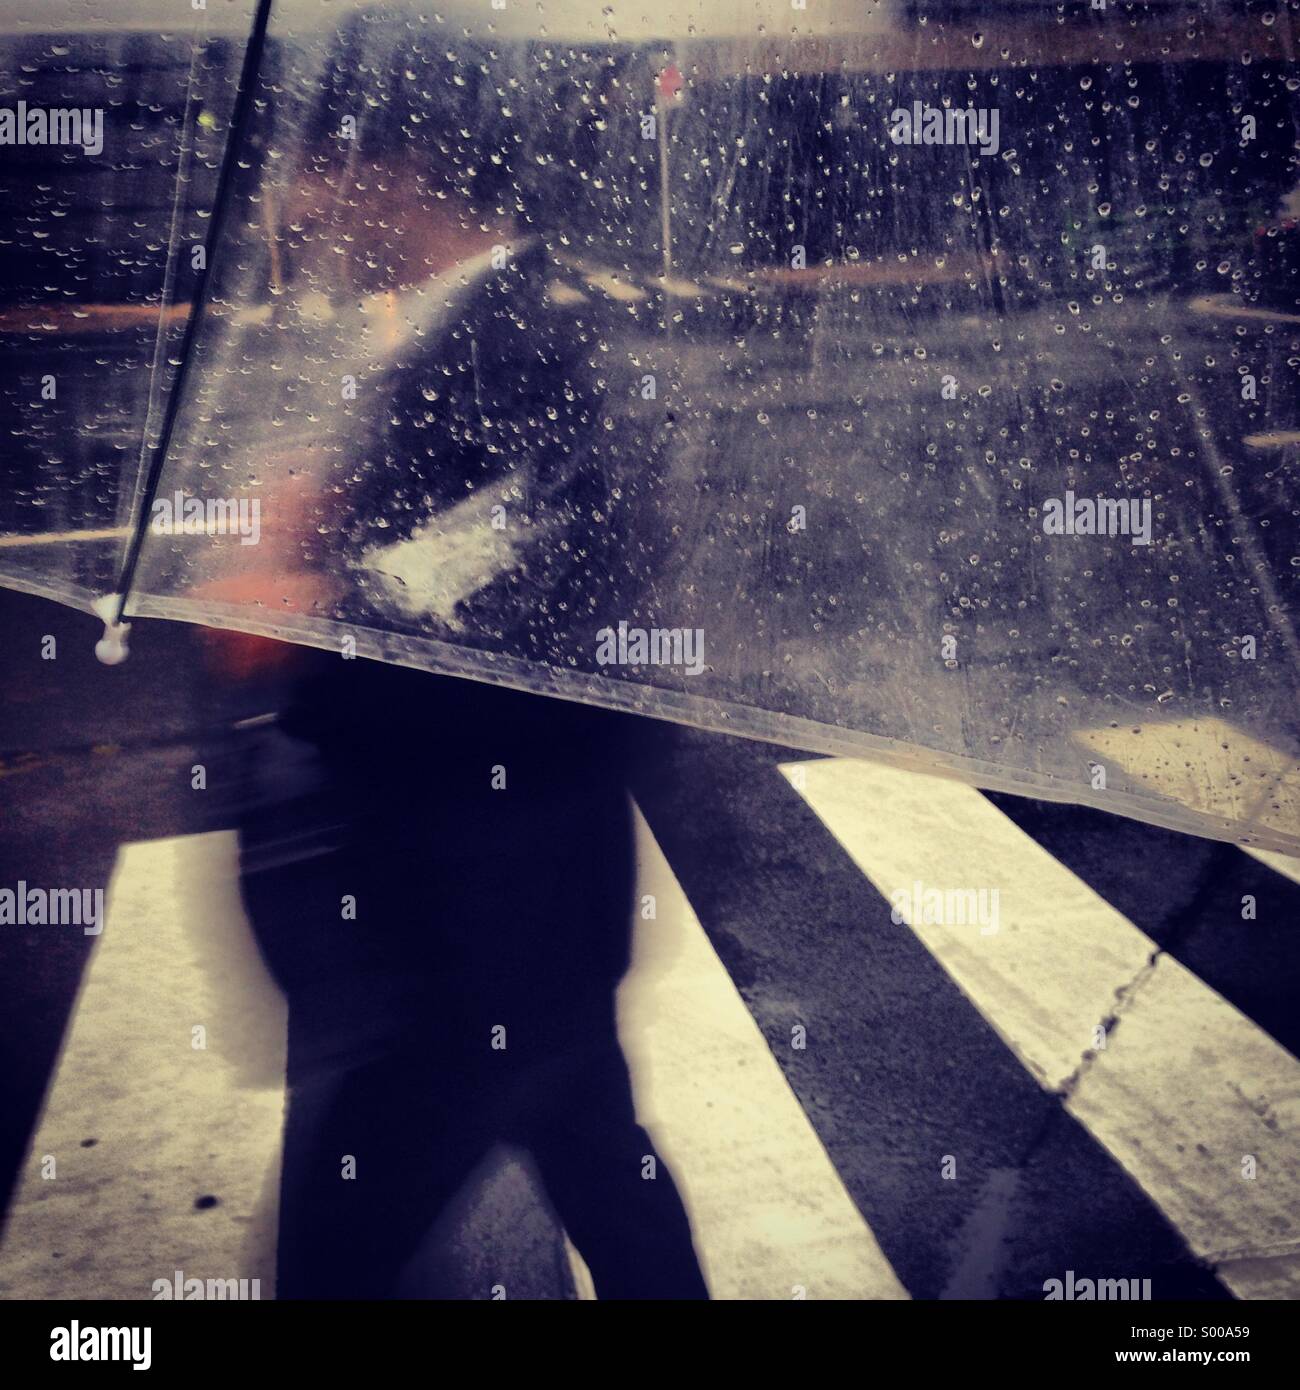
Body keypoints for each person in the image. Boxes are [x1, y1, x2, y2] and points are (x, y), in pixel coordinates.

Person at [217, 15, 708, 1299]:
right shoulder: (453, 328)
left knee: (340, 1240)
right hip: (500, 898)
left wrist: (305, 605)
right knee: (596, 1149)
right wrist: (325, 523)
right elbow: (480, 538)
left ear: (397, 168)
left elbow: (538, 587)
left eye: (312, 162)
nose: (293, 199)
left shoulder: (523, 336)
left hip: (489, 898)